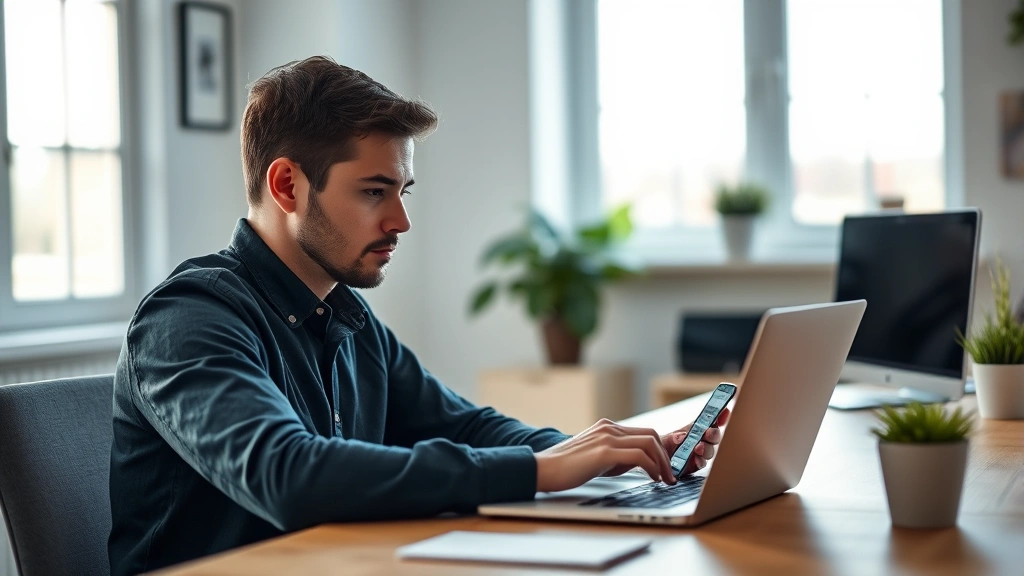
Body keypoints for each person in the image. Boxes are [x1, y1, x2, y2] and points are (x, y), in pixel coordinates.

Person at [107, 56, 729, 576]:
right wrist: (541, 469)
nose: (401, 222)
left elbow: (466, 427)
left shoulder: (346, 318)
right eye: (374, 192)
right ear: (287, 185)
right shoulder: (188, 319)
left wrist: (596, 450)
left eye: (402, 192)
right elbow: (291, 475)